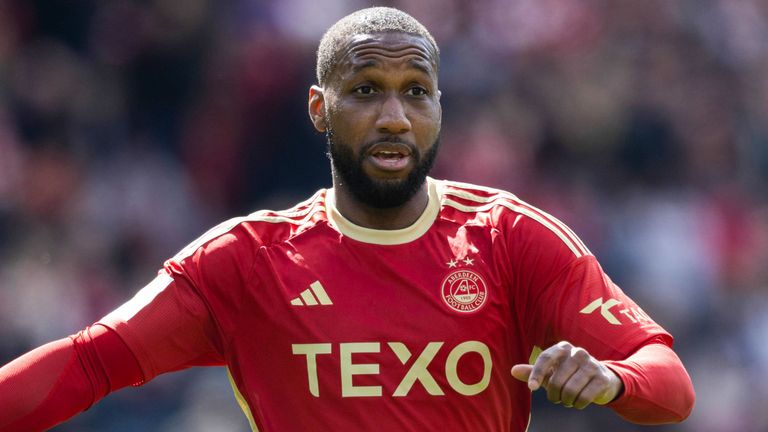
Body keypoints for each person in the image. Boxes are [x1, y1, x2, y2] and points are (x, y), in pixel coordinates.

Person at [0, 7, 694, 431]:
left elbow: (669, 383)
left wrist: (612, 379)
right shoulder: (247, 262)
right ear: (318, 109)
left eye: (416, 93)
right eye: (366, 91)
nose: (395, 116)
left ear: (439, 109)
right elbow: (88, 364)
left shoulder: (512, 240)